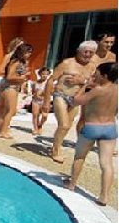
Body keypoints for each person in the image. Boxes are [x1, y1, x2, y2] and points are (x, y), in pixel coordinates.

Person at [64, 62, 117, 206]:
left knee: (80, 156)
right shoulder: (117, 90)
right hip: (110, 128)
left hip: (92, 126)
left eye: (98, 73)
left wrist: (83, 86)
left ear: (105, 76)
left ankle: (72, 184)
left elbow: (76, 101)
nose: (95, 75)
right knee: (106, 163)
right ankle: (104, 196)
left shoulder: (97, 90)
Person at [42, 41, 96, 163]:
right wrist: (46, 101)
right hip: (61, 95)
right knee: (64, 124)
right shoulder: (67, 63)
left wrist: (82, 80)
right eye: (85, 51)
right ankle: (56, 150)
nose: (87, 54)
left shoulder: (92, 66)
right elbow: (51, 81)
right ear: (78, 51)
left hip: (75, 99)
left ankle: (56, 146)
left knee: (67, 126)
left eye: (90, 52)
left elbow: (94, 83)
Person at [0, 44, 32, 139]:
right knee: (11, 110)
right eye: (28, 52)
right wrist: (22, 77)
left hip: (11, 87)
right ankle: (3, 131)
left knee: (5, 109)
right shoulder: (15, 62)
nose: (29, 54)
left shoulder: (20, 62)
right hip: (10, 87)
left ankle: (1, 128)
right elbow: (9, 76)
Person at [30, 67, 51, 136]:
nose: (44, 76)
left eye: (46, 74)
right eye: (43, 74)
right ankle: (35, 128)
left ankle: (40, 125)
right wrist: (35, 94)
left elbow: (52, 92)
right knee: (35, 115)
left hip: (45, 101)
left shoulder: (49, 83)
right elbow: (33, 91)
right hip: (35, 100)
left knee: (44, 116)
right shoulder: (35, 83)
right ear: (40, 74)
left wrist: (43, 93)